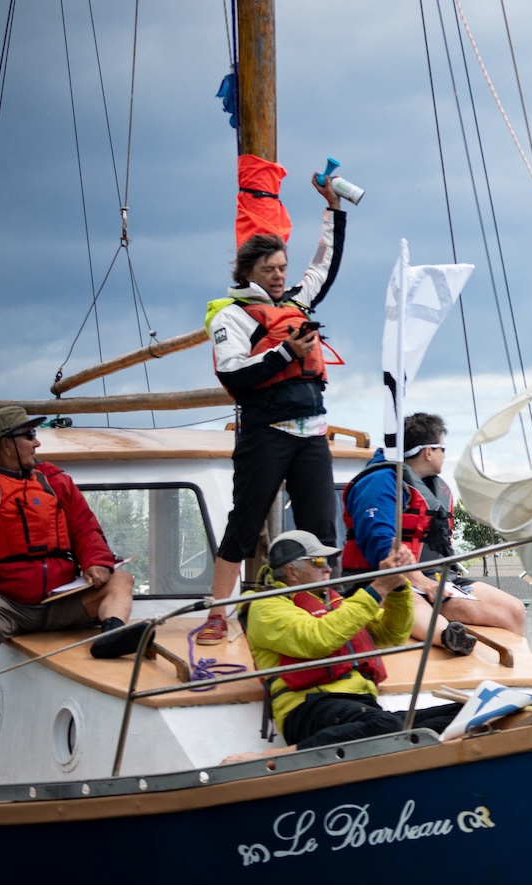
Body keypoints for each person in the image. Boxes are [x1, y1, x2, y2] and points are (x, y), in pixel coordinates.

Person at [197, 174, 347, 645]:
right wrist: (288, 354)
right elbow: (238, 376)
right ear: (248, 274)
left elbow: (324, 266)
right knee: (245, 523)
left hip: (311, 432)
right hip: (267, 432)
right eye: (270, 270)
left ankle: (326, 603)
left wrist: (334, 212)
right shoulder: (231, 317)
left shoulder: (296, 303)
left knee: (322, 525)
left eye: (282, 267)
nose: (280, 276)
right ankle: (218, 612)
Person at [242, 529, 460, 749]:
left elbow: (393, 634)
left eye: (328, 561)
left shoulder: (337, 605)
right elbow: (316, 639)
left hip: (361, 708)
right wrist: (378, 588)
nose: (328, 568)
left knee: (461, 713)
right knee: (386, 726)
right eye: (318, 561)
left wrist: (398, 586)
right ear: (291, 572)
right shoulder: (266, 606)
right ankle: (283, 756)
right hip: (308, 708)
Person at [339, 412, 526, 646]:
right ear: (428, 452)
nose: (444, 455)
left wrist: (433, 582)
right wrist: (417, 579)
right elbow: (378, 541)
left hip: (438, 579)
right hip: (383, 582)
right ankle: (450, 640)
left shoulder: (434, 487)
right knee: (418, 610)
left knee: (514, 610)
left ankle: (524, 671)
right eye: (442, 449)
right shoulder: (378, 482)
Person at [0, 407, 141, 658]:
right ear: (6, 444)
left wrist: (96, 562)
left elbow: (84, 527)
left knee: (121, 580)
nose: (37, 442)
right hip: (8, 608)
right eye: (29, 435)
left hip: (61, 603)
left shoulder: (54, 481)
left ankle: (111, 637)